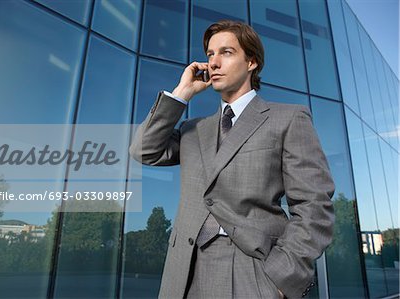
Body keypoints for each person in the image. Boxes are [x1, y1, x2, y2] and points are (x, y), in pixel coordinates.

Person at [129, 20, 335, 299]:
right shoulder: (193, 129)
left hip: (252, 272)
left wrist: (282, 276)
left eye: (226, 52)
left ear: (252, 61)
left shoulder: (287, 118)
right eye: (210, 54)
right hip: (184, 274)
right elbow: (144, 150)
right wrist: (181, 94)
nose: (213, 62)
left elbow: (314, 206)